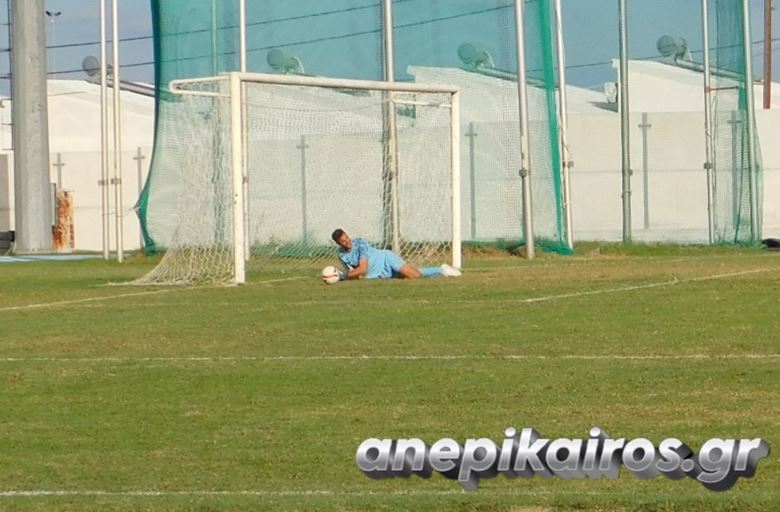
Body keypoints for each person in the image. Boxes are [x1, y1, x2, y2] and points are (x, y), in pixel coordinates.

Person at [331, 228, 461, 281]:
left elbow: (363, 269)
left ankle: (441, 270)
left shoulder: (360, 243)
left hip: (386, 259)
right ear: (338, 243)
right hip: (382, 274)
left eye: (346, 237)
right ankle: (442, 270)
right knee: (414, 273)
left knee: (414, 276)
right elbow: (354, 274)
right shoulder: (342, 255)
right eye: (343, 241)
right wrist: (344, 276)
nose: (347, 241)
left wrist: (341, 276)